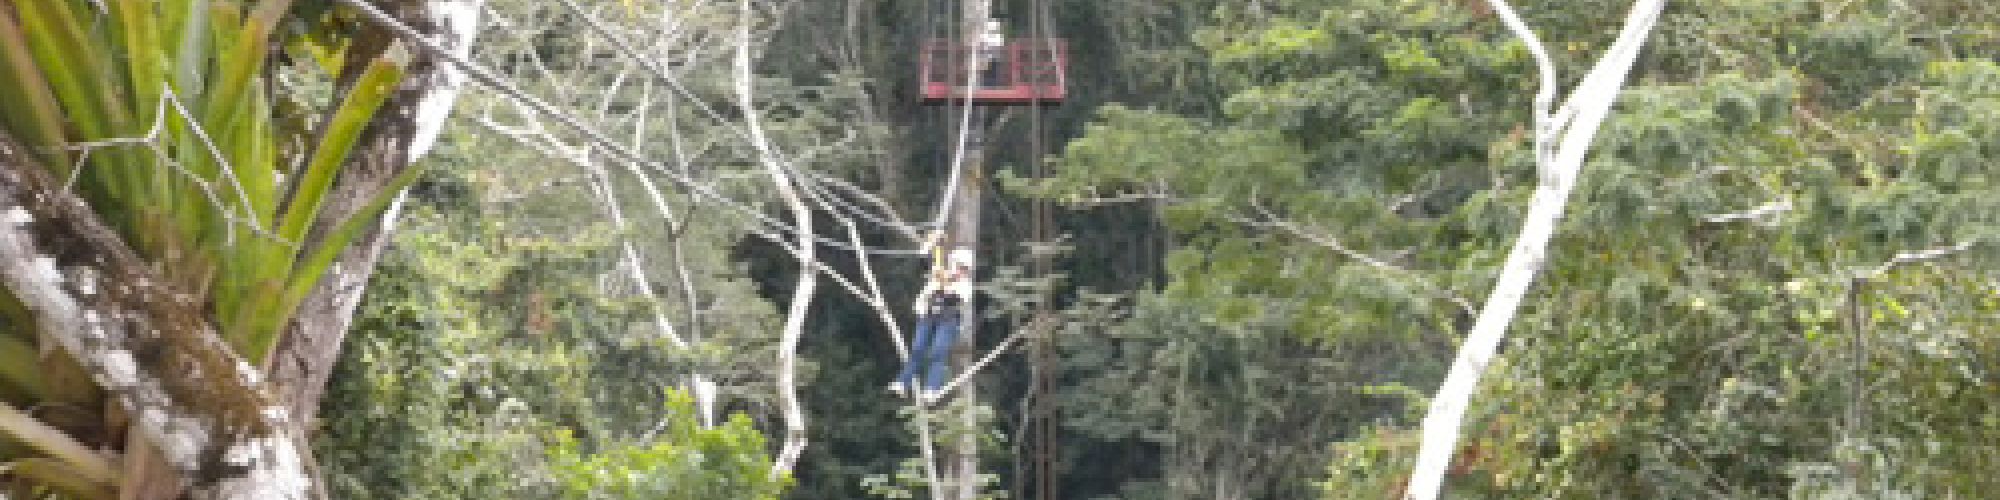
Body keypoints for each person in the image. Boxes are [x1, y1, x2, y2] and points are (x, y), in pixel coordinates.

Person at [891, 247, 974, 401]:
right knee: (917, 350)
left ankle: (931, 389)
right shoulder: (938, 276)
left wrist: (945, 283)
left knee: (937, 352)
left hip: (948, 320)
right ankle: (903, 382)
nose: (958, 269)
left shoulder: (965, 285)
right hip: (929, 316)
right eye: (957, 265)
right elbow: (924, 265)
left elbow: (953, 299)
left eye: (962, 267)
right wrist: (928, 249)